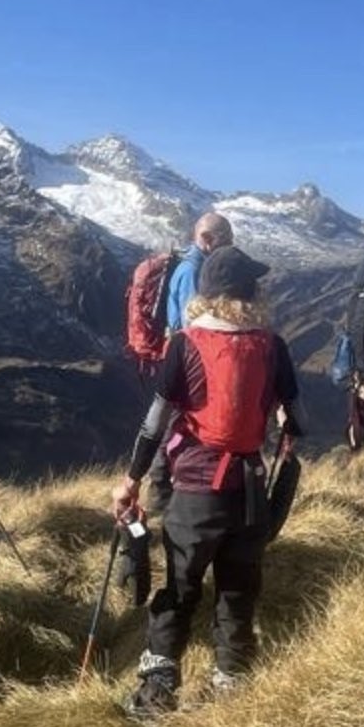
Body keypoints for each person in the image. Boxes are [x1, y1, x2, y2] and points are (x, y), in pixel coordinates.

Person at [112, 245, 303, 718]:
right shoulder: (272, 345)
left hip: (197, 489)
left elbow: (155, 422)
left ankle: (156, 693)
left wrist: (132, 480)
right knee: (239, 587)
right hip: (251, 489)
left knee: (181, 586)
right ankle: (231, 686)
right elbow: (296, 419)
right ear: (249, 292)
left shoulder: (186, 342)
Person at [147, 212, 236, 514]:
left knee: (178, 424)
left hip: (185, 361)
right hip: (186, 364)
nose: (231, 245)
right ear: (208, 239)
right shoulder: (193, 271)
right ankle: (160, 493)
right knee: (174, 424)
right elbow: (194, 326)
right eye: (226, 238)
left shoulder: (195, 266)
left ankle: (170, 489)